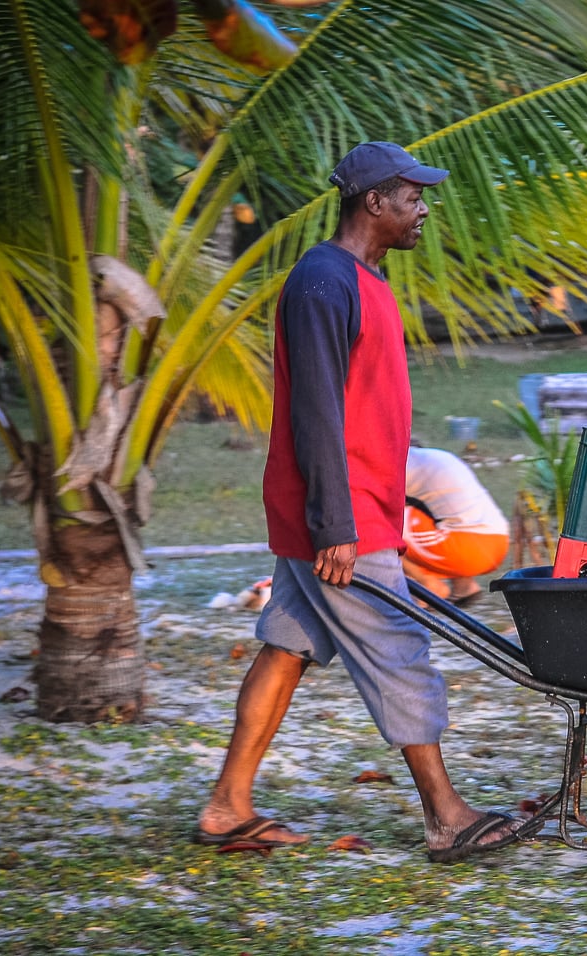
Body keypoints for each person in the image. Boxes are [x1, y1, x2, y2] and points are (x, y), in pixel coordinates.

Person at [196, 142, 522, 863]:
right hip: (338, 517)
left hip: (355, 505)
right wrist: (335, 527)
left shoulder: (366, 279)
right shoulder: (322, 282)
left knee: (285, 650)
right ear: (374, 202)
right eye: (412, 197)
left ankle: (226, 807)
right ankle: (447, 816)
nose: (423, 209)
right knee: (398, 652)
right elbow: (315, 411)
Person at [402, 446, 511, 605]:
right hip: (499, 543)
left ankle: (428, 584)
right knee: (444, 515)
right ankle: (464, 586)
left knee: (384, 522)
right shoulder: (437, 456)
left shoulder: (402, 464)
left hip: (465, 549)